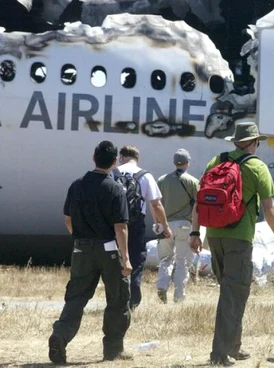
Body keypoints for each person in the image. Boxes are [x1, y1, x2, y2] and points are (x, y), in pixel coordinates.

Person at [189, 121, 274, 366]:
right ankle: (220, 354)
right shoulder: (257, 167)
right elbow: (268, 207)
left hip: (214, 236)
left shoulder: (216, 161)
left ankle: (234, 346)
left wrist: (194, 232)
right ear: (254, 142)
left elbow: (199, 201)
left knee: (232, 292)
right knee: (233, 294)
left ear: (234, 141)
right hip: (239, 238)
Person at [49, 141, 133, 364]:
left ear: (93, 158)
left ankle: (60, 335)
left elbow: (68, 219)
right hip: (108, 249)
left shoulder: (77, 185)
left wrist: (79, 239)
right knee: (117, 298)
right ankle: (113, 350)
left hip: (81, 248)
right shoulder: (115, 188)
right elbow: (120, 227)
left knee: (76, 297)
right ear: (114, 162)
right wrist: (125, 258)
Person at [114, 145, 171, 310]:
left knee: (115, 259)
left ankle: (116, 298)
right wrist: (164, 226)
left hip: (115, 223)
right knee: (136, 259)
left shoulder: (114, 173)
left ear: (121, 157)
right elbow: (156, 204)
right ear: (136, 158)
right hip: (136, 222)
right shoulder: (144, 175)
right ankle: (133, 300)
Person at [155, 149, 200, 303]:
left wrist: (157, 222)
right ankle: (179, 297)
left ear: (174, 163)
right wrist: (196, 230)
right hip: (185, 226)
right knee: (182, 262)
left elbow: (155, 204)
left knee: (165, 259)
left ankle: (162, 284)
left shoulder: (162, 180)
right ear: (188, 163)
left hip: (165, 225)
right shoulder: (193, 182)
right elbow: (197, 207)